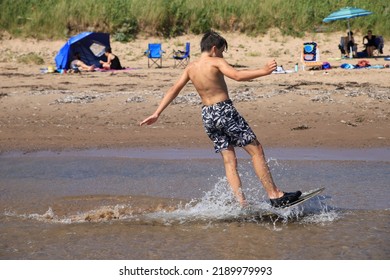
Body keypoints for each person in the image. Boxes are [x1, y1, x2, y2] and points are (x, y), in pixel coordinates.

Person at [140, 31, 301, 208]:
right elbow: (237, 76)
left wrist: (157, 113)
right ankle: (275, 194)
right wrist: (263, 71)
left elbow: (174, 89)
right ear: (214, 48)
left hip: (208, 115)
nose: (222, 55)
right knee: (256, 150)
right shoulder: (216, 61)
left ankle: (241, 203)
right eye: (222, 51)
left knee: (229, 159)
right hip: (224, 111)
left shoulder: (191, 67)